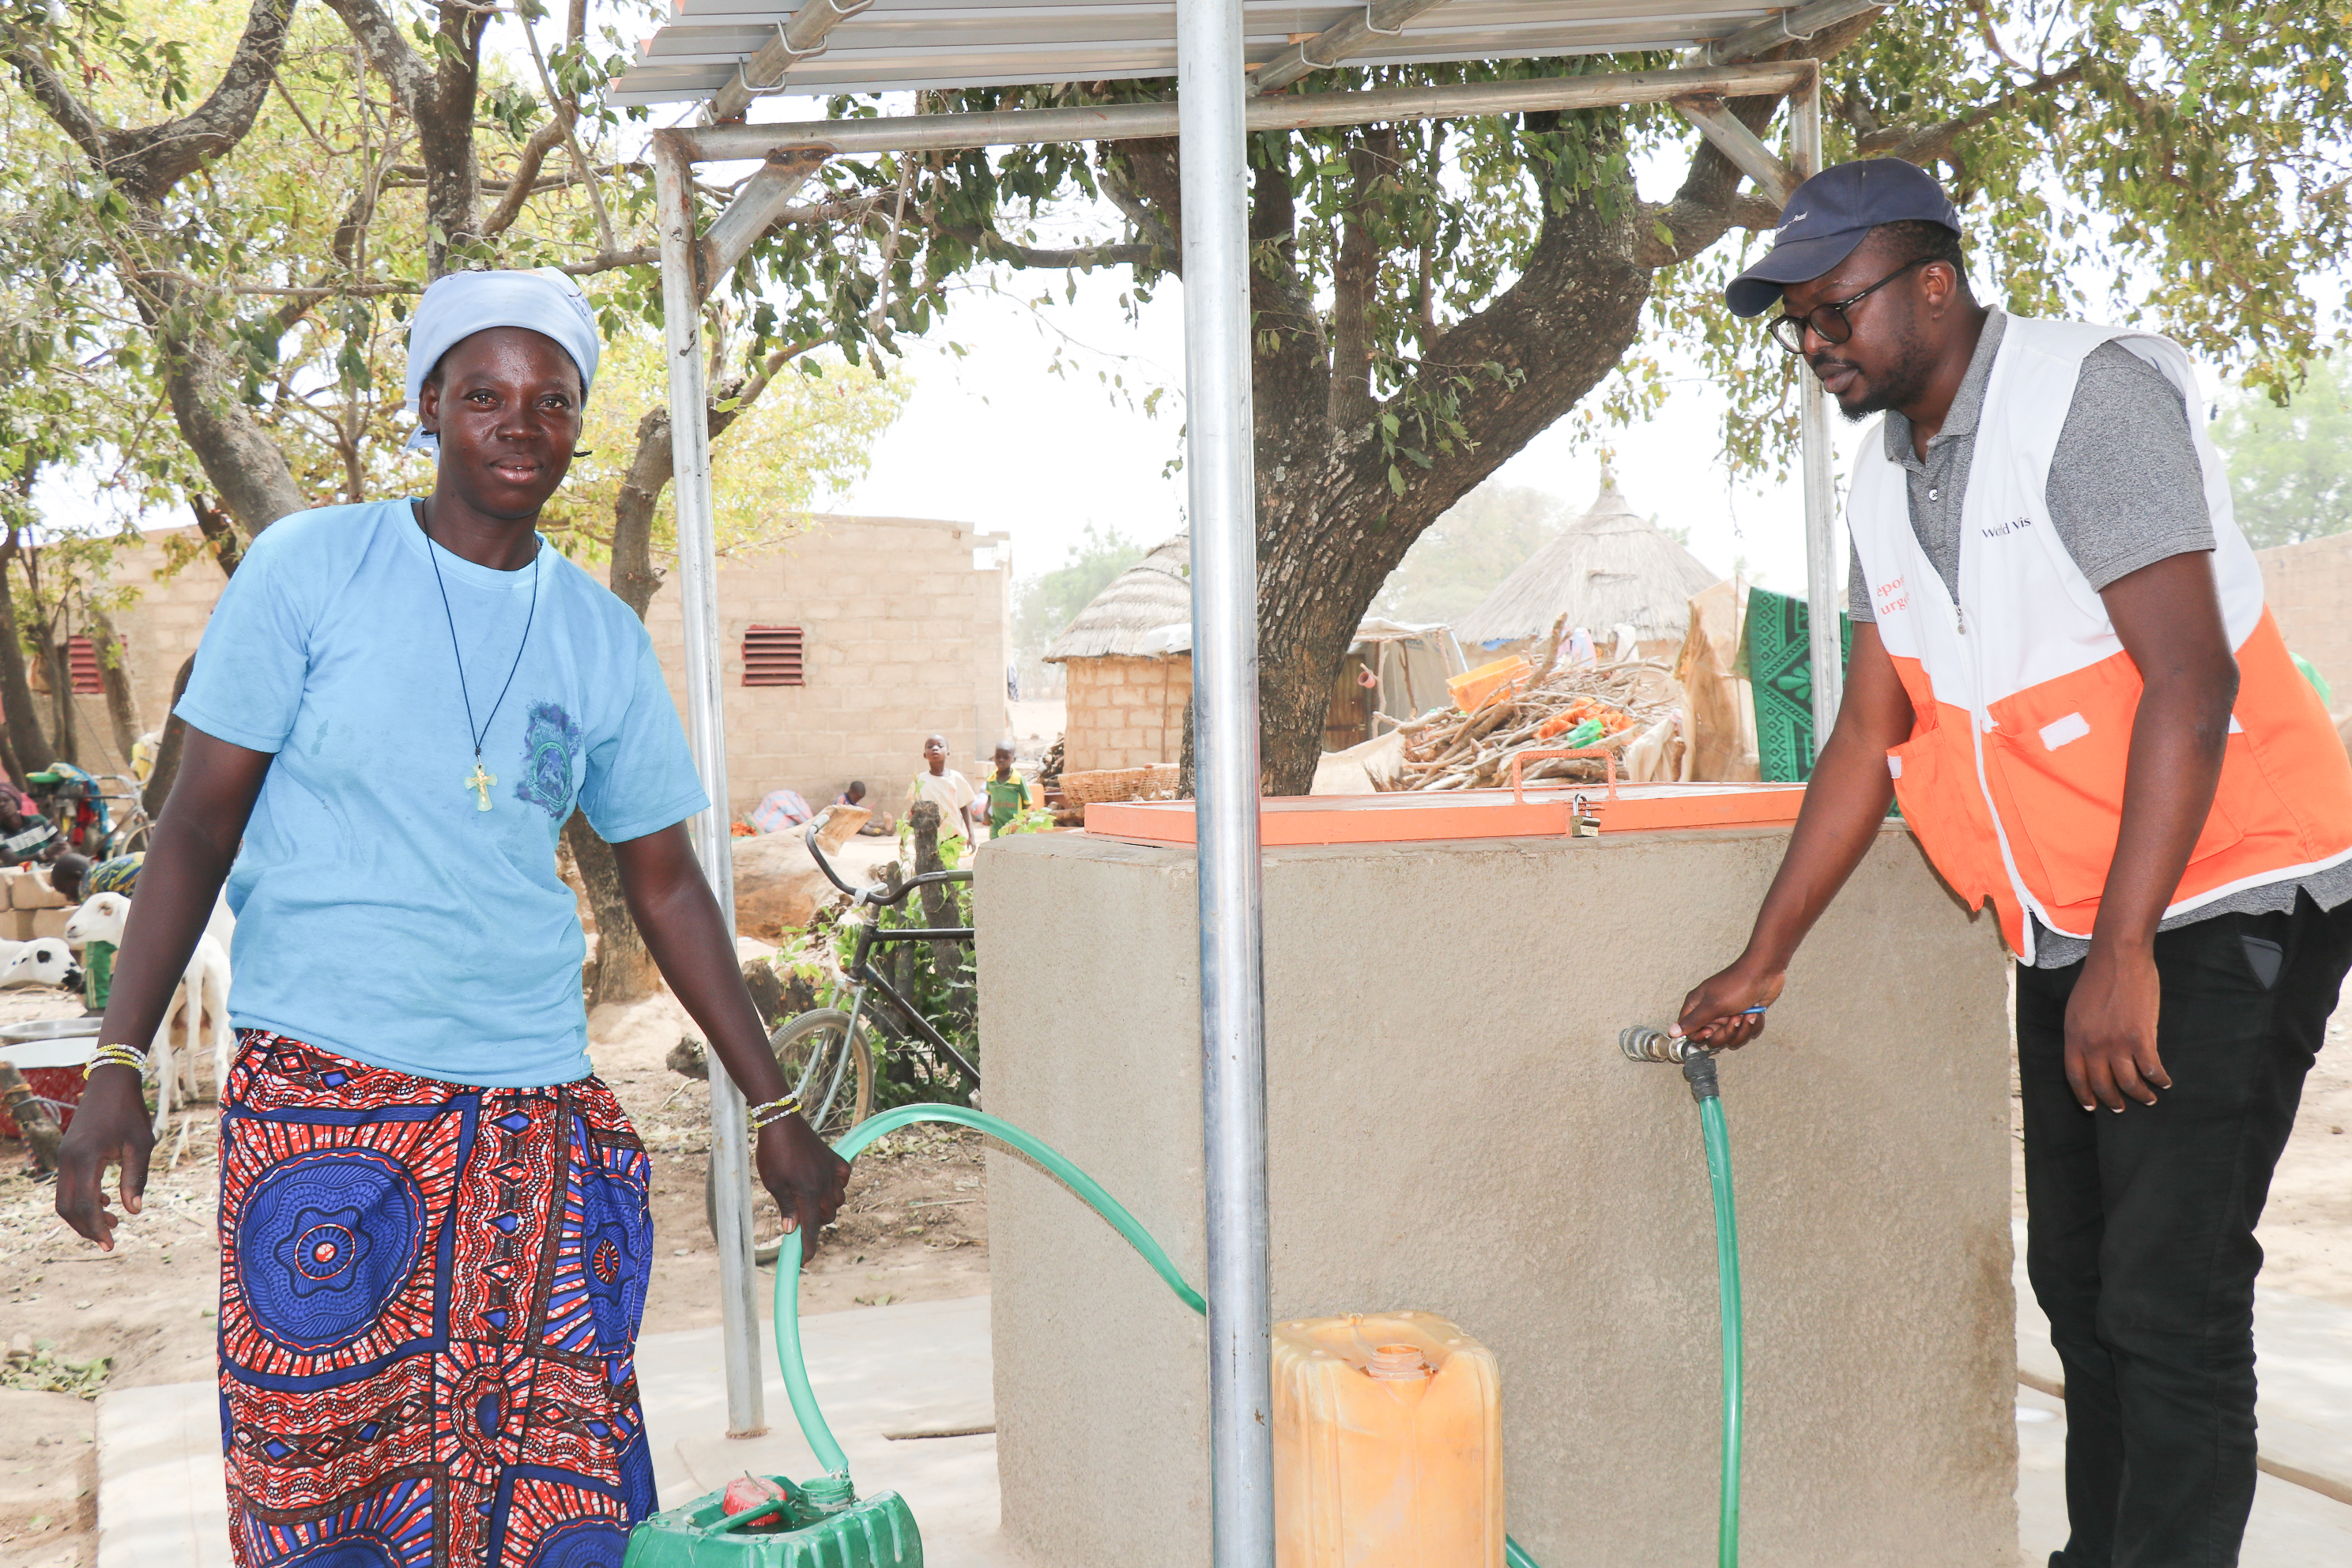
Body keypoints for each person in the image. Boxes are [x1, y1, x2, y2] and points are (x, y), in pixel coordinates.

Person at [50, 267, 850, 1567]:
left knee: (547, 1502)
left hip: (528, 1115)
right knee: (324, 1483)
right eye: (485, 394)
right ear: (429, 404)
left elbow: (665, 880)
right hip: (324, 1100)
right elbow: (196, 825)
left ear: (579, 422)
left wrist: (773, 1107)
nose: (520, 423)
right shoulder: (312, 568)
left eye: (553, 399)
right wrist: (116, 1061)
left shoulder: (596, 636)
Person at [1680, 159, 2352, 1568]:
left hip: (2227, 887)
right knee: (2083, 1284)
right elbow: (1868, 731)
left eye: (1834, 310)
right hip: (2074, 916)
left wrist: (2127, 951)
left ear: (1933, 285)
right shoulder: (1887, 480)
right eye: (1796, 323)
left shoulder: (2084, 400)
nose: (1814, 343)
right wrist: (1763, 956)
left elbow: (2190, 680)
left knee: (2168, 1296)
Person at [908, 733, 979, 841]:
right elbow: (914, 810)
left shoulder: (955, 778)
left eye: (940, 746)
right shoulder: (920, 780)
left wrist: (971, 835)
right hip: (927, 837)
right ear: (925, 755)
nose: (935, 748)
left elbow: (963, 808)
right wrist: (903, 837)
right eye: (930, 746)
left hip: (953, 835)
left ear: (948, 753)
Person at [982, 741, 1034, 836]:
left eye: (1006, 757)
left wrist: (1019, 820)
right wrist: (986, 813)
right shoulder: (991, 778)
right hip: (996, 825)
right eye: (998, 756)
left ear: (1014, 759)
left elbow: (1028, 802)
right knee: (995, 844)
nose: (1001, 760)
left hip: (1014, 826)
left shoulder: (1018, 779)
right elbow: (990, 796)